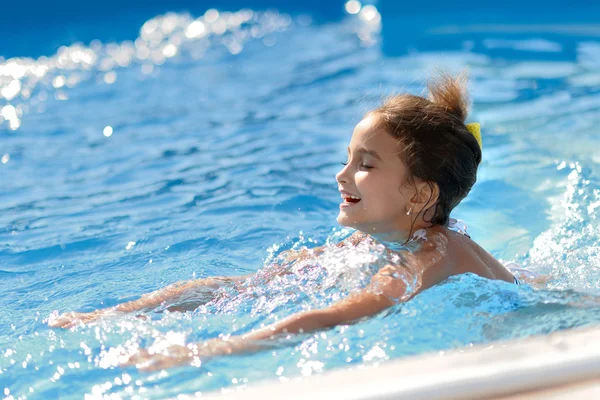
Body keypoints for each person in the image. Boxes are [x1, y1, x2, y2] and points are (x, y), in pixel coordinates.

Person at [49, 72, 520, 371]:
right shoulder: (374, 245)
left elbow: (342, 313)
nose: (342, 174)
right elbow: (238, 285)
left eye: (366, 164)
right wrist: (110, 316)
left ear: (419, 193)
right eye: (347, 158)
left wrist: (212, 351)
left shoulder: (433, 253)